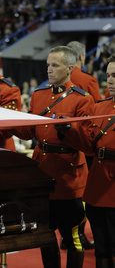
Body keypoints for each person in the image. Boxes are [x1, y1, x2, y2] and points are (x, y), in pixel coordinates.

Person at [13, 46, 95, 268]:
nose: (49, 69)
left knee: (73, 238)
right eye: (48, 64)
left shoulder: (82, 99)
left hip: (69, 178)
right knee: (45, 236)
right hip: (43, 174)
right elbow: (28, 133)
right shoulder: (39, 95)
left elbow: (87, 144)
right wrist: (8, 119)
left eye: (55, 65)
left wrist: (68, 130)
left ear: (70, 68)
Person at [56, 54, 115, 268]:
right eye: (108, 75)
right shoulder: (100, 107)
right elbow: (89, 145)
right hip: (98, 188)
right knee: (102, 250)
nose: (110, 80)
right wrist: (70, 131)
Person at [64, 40, 97, 250]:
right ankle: (79, 236)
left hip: (61, 145)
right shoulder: (88, 80)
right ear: (81, 58)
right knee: (85, 194)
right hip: (85, 146)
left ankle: (67, 236)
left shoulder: (53, 83)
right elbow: (101, 110)